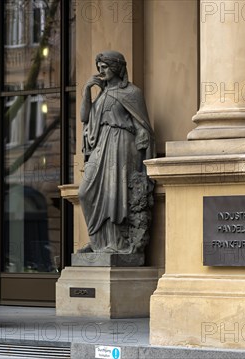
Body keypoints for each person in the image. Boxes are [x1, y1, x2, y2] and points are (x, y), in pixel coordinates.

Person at [78, 51, 155, 254]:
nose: (101, 71)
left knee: (115, 191)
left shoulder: (132, 93)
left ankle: (116, 242)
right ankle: (97, 241)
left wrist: (142, 139)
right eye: (99, 67)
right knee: (85, 192)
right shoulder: (101, 94)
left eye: (105, 66)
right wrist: (87, 89)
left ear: (117, 67)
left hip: (121, 143)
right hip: (101, 144)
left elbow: (142, 124)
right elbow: (84, 117)